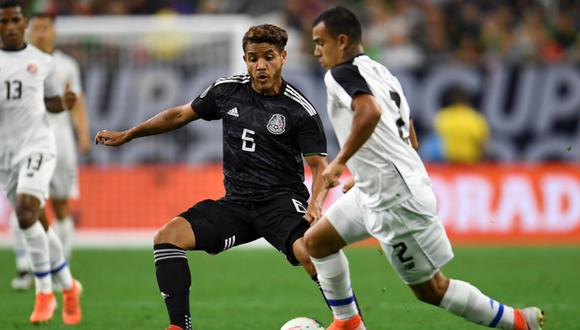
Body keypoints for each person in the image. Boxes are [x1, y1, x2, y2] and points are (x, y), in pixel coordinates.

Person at [305, 6, 544, 330]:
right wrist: (364, 173)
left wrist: (341, 162)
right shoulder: (380, 71)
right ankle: (347, 323)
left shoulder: (338, 75)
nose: (316, 51)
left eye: (320, 42)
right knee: (317, 243)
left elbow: (370, 113)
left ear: (342, 41)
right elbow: (410, 135)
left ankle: (517, 322)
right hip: (378, 189)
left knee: (432, 290)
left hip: (394, 200)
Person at [96, 24, 329, 330]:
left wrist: (315, 205)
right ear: (244, 59)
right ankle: (180, 327)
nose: (260, 65)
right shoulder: (225, 91)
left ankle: (352, 322)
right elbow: (179, 115)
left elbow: (320, 167)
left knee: (308, 252)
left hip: (280, 203)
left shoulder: (299, 110)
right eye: (253, 58)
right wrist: (129, 134)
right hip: (237, 205)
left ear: (283, 57)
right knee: (167, 238)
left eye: (269, 57)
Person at [0, 0, 82, 325]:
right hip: (5, 155)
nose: (8, 27)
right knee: (37, 223)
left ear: (25, 24)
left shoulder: (42, 62)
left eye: (14, 21)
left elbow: (50, 102)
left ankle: (44, 291)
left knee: (24, 214)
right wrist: (57, 102)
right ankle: (69, 285)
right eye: (3, 21)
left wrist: (64, 102)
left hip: (37, 146)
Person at [434, 86, 489, 164]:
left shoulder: (443, 116)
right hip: (470, 163)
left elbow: (436, 140)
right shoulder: (475, 117)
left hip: (448, 163)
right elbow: (482, 143)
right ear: (466, 101)